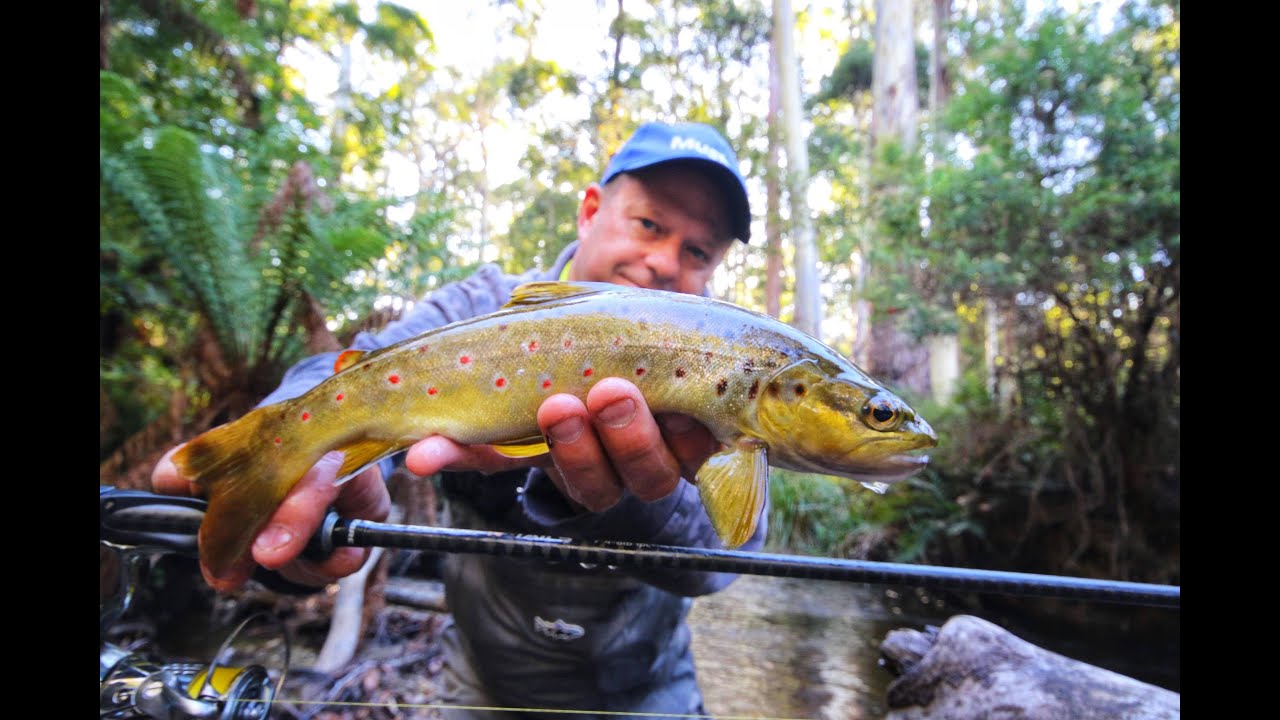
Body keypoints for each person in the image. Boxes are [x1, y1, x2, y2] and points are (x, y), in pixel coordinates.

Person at [153, 121, 765, 718]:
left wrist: (628, 494)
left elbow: (727, 557)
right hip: (477, 678)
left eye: (697, 251)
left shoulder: (730, 364)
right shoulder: (481, 310)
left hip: (644, 691)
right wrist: (292, 456)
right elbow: (364, 368)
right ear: (589, 210)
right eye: (650, 224)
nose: (662, 261)